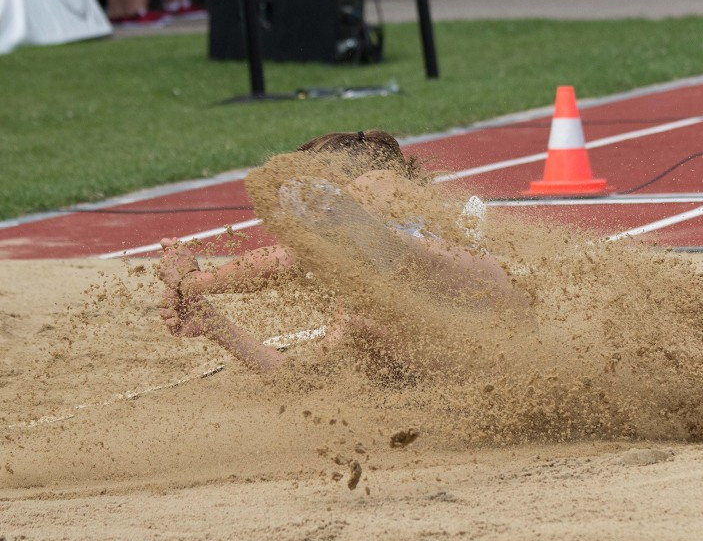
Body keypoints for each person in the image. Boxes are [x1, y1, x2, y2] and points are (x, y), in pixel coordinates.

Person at [156, 131, 527, 374]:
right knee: (368, 314)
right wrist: (213, 323)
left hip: (477, 322)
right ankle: (386, 240)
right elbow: (302, 381)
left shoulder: (379, 202)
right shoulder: (361, 301)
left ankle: (381, 236)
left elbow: (288, 260)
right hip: (490, 356)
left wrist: (194, 281)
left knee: (382, 210)